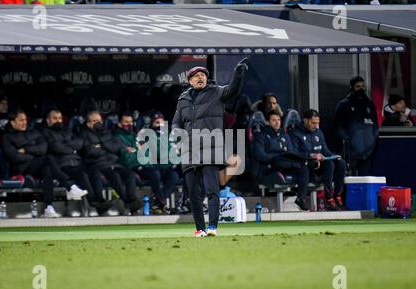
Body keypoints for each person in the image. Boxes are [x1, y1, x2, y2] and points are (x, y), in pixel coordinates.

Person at [172, 58, 248, 237]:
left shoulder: (216, 92)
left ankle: (213, 227)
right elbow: (176, 122)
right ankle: (200, 229)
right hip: (189, 151)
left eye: (203, 75)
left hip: (210, 148)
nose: (200, 78)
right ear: (190, 81)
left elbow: (233, 89)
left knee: (212, 190)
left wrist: (237, 73)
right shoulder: (182, 99)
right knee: (193, 194)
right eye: (196, 76)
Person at [2, 110, 88, 218]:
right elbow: (14, 157)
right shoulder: (7, 136)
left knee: (47, 169)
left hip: (37, 164)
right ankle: (70, 187)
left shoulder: (33, 132)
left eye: (25, 120)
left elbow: (43, 148)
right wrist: (34, 155)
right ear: (12, 122)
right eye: (20, 120)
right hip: (21, 167)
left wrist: (26, 150)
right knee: (48, 159)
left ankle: (48, 207)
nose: (24, 123)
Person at [41, 109, 113, 213]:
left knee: (95, 172)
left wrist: (67, 146)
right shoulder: (45, 132)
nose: (58, 120)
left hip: (76, 162)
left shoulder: (67, 131)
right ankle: (93, 201)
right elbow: (55, 147)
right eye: (55, 118)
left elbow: (80, 143)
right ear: (48, 120)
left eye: (60, 118)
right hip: (61, 164)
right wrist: (72, 148)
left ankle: (100, 199)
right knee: (82, 174)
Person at [79, 111, 143, 215]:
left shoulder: (106, 132)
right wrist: (105, 146)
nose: (98, 123)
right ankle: (128, 202)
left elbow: (116, 147)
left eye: (99, 120)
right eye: (95, 121)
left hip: (112, 162)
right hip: (97, 164)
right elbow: (90, 152)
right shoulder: (84, 135)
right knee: (115, 176)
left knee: (130, 175)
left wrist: (101, 145)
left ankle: (132, 199)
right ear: (88, 123)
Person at [114, 111, 171, 213]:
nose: (129, 124)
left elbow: (146, 152)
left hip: (146, 164)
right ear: (119, 123)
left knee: (173, 173)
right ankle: (161, 203)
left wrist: (137, 151)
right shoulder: (117, 137)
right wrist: (138, 152)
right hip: (133, 166)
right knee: (155, 174)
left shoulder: (134, 135)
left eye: (131, 122)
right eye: (126, 122)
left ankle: (162, 202)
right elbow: (126, 157)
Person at [252, 110, 310, 211]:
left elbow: (291, 152)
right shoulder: (260, 135)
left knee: (303, 168)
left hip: (286, 164)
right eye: (274, 120)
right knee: (281, 160)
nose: (277, 122)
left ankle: (300, 198)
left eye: (279, 120)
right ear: (268, 122)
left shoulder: (285, 135)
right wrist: (276, 157)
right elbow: (260, 155)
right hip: (270, 166)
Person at [289, 109, 347, 210]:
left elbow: (325, 150)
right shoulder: (295, 133)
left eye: (317, 123)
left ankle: (337, 196)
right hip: (306, 164)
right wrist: (311, 155)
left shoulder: (318, 133)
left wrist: (334, 156)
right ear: (305, 121)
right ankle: (328, 198)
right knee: (329, 164)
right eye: (313, 123)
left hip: (320, 165)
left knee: (340, 163)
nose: (316, 126)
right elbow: (293, 152)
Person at [334, 76, 378, 176]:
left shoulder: (370, 104)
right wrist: (349, 140)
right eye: (358, 86)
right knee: (350, 182)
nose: (361, 89)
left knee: (365, 180)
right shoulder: (344, 105)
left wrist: (373, 140)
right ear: (352, 87)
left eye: (363, 86)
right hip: (351, 152)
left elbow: (375, 126)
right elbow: (337, 127)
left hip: (368, 152)